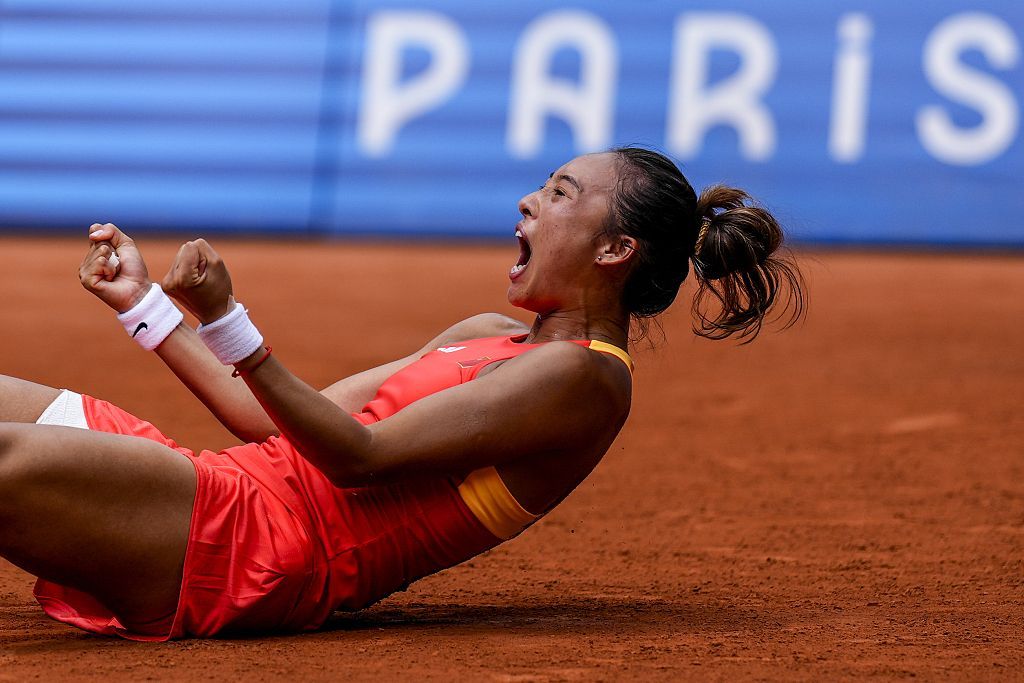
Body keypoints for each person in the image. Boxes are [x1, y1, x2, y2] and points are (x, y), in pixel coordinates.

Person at [0, 147, 804, 640]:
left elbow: (358, 458)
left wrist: (229, 316)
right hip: (215, 490)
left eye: (562, 193)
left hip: (249, 551)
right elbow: (265, 417)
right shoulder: (488, 328)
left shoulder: (585, 378)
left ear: (617, 249)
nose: (530, 200)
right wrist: (144, 304)